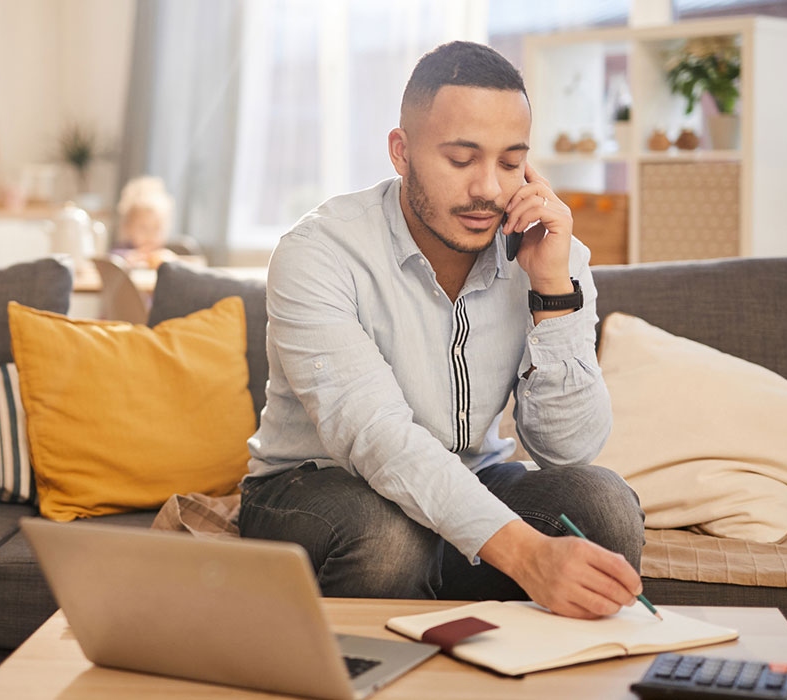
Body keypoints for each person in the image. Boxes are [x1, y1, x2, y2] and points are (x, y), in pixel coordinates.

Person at [240, 41, 646, 620]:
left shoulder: (552, 255)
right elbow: (377, 438)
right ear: (401, 153)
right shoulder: (319, 253)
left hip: (468, 480)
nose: (488, 188)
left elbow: (570, 450)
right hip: (315, 492)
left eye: (510, 163)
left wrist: (552, 291)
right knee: (387, 540)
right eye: (461, 160)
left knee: (603, 506)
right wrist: (528, 556)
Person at [114, 175, 179, 268]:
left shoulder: (163, 255)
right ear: (128, 227)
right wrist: (128, 259)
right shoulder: (121, 252)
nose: (150, 235)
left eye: (157, 228)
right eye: (143, 228)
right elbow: (111, 262)